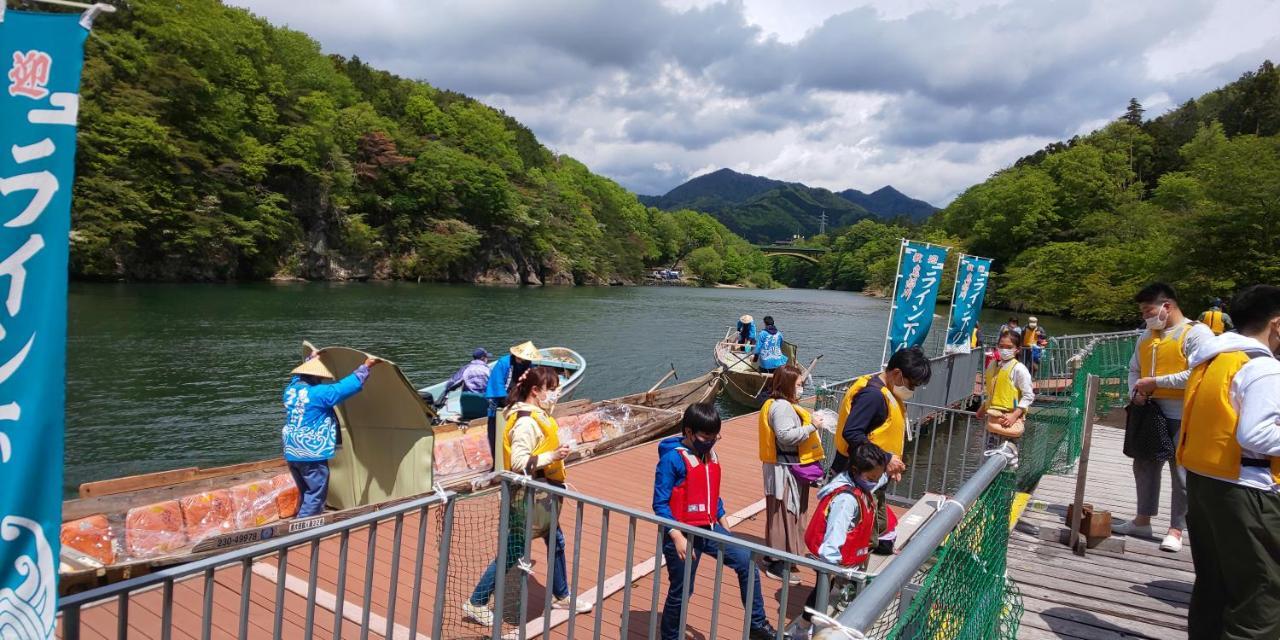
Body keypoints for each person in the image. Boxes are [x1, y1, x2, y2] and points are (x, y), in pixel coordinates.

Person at [1178, 284, 1280, 639]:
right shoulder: (1264, 368)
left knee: (1213, 583)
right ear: (1277, 324)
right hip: (1247, 491)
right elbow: (1255, 435)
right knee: (1261, 592)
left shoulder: (1214, 359)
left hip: (1205, 483)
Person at [463, 367, 592, 626]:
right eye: (552, 389)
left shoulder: (531, 415)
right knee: (514, 549)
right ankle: (476, 602)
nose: (556, 394)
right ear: (535, 391)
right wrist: (553, 457)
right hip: (528, 495)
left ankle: (562, 594)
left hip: (541, 493)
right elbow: (520, 461)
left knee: (555, 539)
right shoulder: (525, 421)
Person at [654, 403, 777, 640]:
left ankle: (757, 623)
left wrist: (722, 517)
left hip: (709, 529)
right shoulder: (671, 460)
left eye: (715, 436)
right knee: (682, 590)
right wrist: (675, 534)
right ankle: (669, 635)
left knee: (747, 563)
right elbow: (660, 503)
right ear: (689, 432)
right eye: (705, 436)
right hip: (681, 534)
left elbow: (710, 491)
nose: (711, 441)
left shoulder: (708, 455)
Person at [1115, 283, 1213, 553]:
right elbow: (1134, 369)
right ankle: (1142, 520)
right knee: (1144, 464)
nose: (1145, 317)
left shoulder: (1197, 334)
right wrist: (1135, 392)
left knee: (1181, 472)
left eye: (1149, 311)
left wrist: (1155, 382)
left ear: (1166, 307)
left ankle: (1176, 530)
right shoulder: (1147, 335)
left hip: (1184, 415)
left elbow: (1197, 375)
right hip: (1149, 411)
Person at [833, 346, 932, 552]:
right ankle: (841, 581)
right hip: (856, 476)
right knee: (855, 534)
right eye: (911, 384)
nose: (912, 390)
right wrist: (887, 458)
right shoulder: (873, 396)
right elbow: (852, 433)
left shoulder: (885, 391)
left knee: (874, 528)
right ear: (897, 373)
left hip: (872, 476)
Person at [797, 442, 889, 632]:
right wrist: (829, 567)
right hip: (830, 557)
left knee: (834, 590)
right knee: (821, 594)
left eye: (878, 477)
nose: (875, 481)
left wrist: (889, 471)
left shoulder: (862, 482)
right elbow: (835, 532)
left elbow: (876, 481)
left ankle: (814, 621)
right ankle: (803, 628)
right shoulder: (846, 500)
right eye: (872, 477)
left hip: (848, 558)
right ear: (855, 471)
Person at [282, 352, 380, 517]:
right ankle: (303, 531)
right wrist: (366, 366)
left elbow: (297, 380)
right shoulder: (320, 394)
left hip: (292, 451)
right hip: (310, 452)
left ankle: (301, 520)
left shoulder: (290, 390)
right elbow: (345, 387)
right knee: (315, 493)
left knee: (305, 490)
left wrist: (311, 360)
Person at [757, 364, 823, 584]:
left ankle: (775, 554)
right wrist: (812, 426)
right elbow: (785, 436)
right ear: (787, 385)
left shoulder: (778, 405)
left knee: (781, 513)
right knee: (786, 513)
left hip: (785, 467)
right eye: (798, 385)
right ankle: (779, 562)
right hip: (783, 470)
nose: (801, 389)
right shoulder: (783, 407)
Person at [484, 341, 540, 470]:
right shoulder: (504, 363)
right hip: (501, 404)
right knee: (496, 438)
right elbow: (497, 385)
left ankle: (517, 464)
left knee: (518, 437)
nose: (524, 360)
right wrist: (509, 404)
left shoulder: (529, 365)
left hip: (519, 403)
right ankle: (498, 465)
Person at [977, 332, 1035, 442]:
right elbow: (993, 392)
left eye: (1009, 347)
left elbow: (1029, 395)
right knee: (989, 454)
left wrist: (1015, 415)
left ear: (1017, 349)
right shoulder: (993, 365)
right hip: (992, 419)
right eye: (1001, 346)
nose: (1004, 350)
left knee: (1006, 454)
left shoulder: (1019, 369)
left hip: (1009, 421)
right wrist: (984, 407)